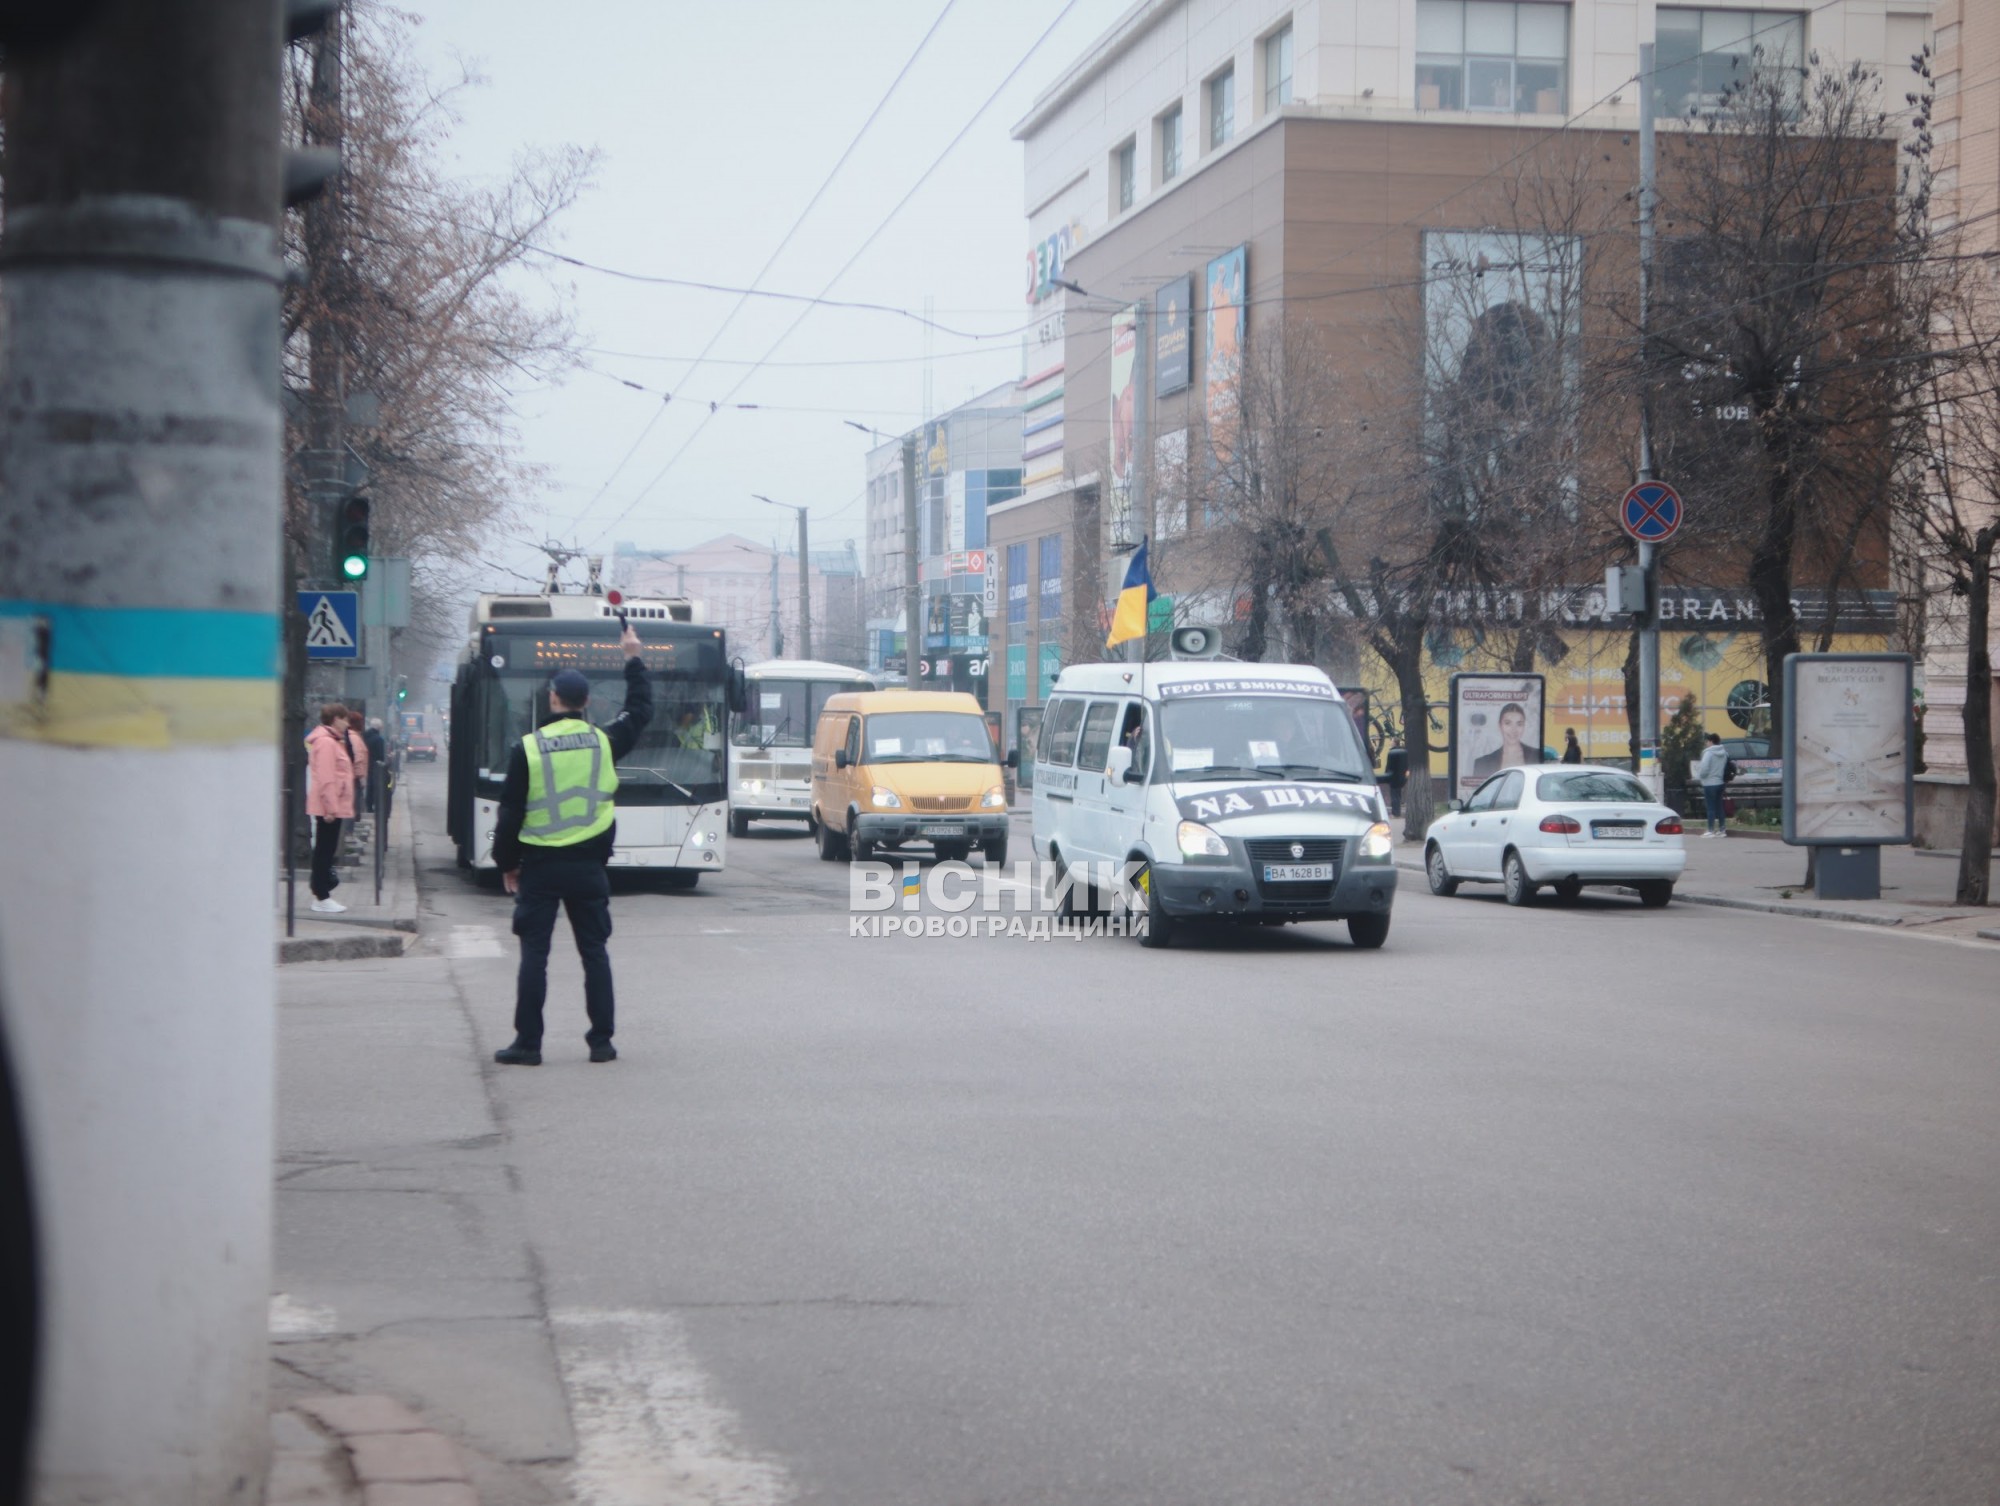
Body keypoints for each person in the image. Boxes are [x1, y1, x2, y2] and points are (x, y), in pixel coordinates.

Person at [491, 623, 652, 1066]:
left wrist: (507, 863)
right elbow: (640, 710)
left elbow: (510, 815)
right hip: (589, 868)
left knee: (535, 957)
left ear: (553, 699)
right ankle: (601, 1042)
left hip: (540, 866)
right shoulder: (605, 741)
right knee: (595, 954)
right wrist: (632, 656)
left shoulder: (528, 748)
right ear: (587, 703)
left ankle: (528, 1044)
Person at [305, 703, 355, 913]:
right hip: (329, 807)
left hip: (333, 805)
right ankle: (321, 895)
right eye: (344, 719)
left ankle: (322, 891)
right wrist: (331, 808)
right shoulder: (326, 743)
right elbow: (327, 778)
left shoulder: (333, 741)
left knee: (326, 849)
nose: (347, 723)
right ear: (335, 718)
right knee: (325, 850)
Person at [1471, 703, 1533, 776]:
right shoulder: (1482, 763)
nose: (1514, 730)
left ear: (1524, 726)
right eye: (1508, 723)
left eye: (1519, 724)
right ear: (1500, 726)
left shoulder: (1535, 755)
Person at [1693, 731, 1730, 838]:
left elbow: (1704, 768)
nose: (1706, 743)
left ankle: (1710, 830)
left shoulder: (1708, 753)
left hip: (1709, 783)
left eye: (1707, 741)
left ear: (1711, 741)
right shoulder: (1724, 753)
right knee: (1719, 806)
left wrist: (1700, 776)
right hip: (1720, 782)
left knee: (1710, 807)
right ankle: (1722, 830)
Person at [1383, 741, 1408, 817]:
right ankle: (1397, 812)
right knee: (1398, 795)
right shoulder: (1403, 752)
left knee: (1394, 795)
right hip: (1401, 776)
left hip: (1393, 776)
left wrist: (1386, 774)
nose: (1391, 743)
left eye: (1392, 742)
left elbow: (1389, 765)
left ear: (1395, 743)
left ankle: (1395, 813)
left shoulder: (1392, 752)